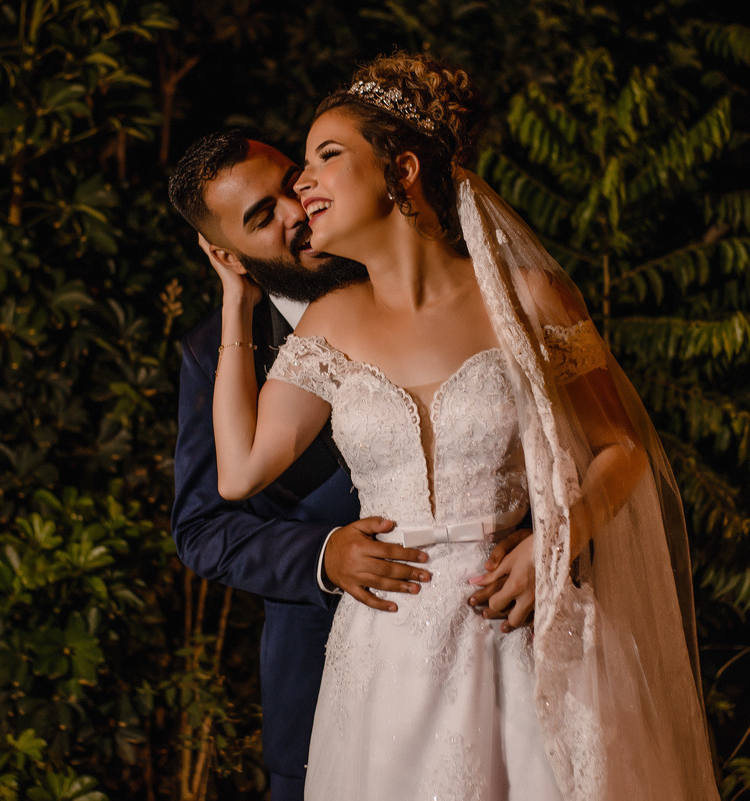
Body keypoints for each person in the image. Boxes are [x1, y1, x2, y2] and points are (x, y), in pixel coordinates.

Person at [210, 54, 720, 799]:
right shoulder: (329, 323)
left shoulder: (528, 298)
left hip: (520, 631)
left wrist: (557, 538)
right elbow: (239, 472)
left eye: (326, 156)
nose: (302, 184)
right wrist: (237, 302)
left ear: (402, 169)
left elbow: (622, 447)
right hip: (387, 658)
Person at [167, 129, 535, 801]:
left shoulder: (456, 285)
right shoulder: (215, 352)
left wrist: (544, 536)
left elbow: (554, 447)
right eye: (262, 217)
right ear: (226, 254)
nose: (295, 211)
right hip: (331, 674)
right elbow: (204, 525)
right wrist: (323, 554)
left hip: (506, 627)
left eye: (292, 182)